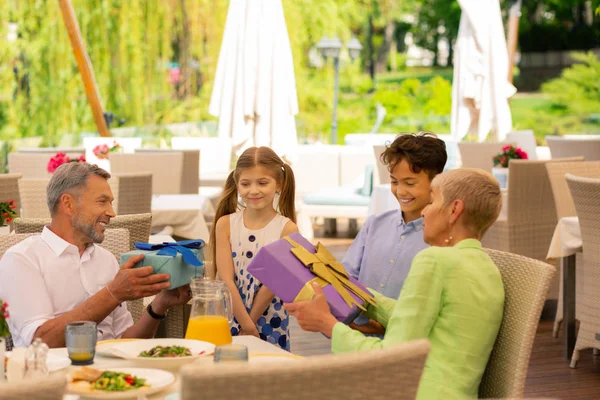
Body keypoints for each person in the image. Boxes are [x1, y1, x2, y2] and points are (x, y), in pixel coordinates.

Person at [286, 168, 505, 399]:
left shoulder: (435, 260)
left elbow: (392, 357)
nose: (424, 212)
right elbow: (432, 322)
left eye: (431, 202)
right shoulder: (487, 268)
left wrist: (326, 323)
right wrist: (358, 294)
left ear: (454, 210)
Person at [0, 162, 191, 348]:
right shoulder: (22, 259)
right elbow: (41, 342)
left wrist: (159, 305)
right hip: (55, 376)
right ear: (68, 204)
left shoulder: (105, 259)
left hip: (111, 373)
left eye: (111, 203)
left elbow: (124, 341)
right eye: (102, 201)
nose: (112, 212)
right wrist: (113, 293)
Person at [342, 132, 447, 334]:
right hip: (355, 338)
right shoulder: (374, 225)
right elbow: (346, 277)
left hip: (408, 345)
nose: (400, 191)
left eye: (410, 183)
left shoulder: (443, 239)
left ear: (436, 182)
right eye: (394, 181)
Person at [211, 146, 298, 351]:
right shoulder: (225, 224)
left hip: (270, 317)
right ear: (237, 184)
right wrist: (246, 324)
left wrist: (251, 324)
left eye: (262, 183)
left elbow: (272, 285)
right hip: (229, 315)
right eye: (246, 184)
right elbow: (226, 279)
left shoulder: (287, 229)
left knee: (268, 374)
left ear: (280, 184)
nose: (253, 190)